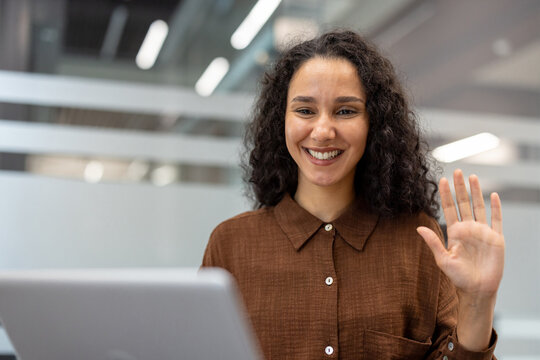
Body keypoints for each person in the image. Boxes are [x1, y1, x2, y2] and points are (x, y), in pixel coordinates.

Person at [202, 30, 504, 359]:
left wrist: (478, 302)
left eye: (346, 111)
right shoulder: (230, 245)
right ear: (281, 121)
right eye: (305, 110)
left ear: (374, 124)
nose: (322, 131)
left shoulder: (419, 241)